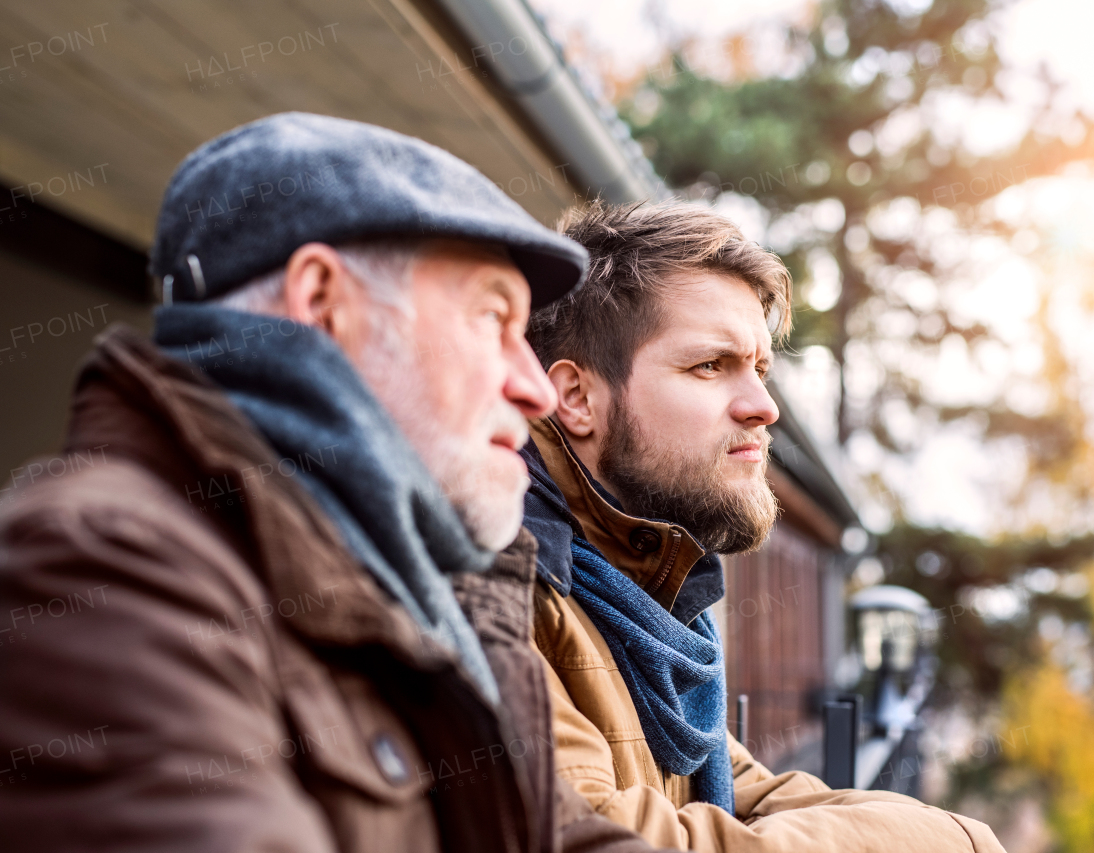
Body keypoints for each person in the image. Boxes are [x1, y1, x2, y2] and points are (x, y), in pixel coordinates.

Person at [0, 113, 667, 853]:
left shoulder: (428, 590)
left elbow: (561, 836)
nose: (535, 388)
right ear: (320, 303)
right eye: (492, 319)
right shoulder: (103, 566)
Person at [518, 200, 1007, 852]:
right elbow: (605, 839)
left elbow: (754, 795)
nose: (763, 406)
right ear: (577, 398)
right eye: (710, 365)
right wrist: (962, 844)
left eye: (760, 368)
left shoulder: (657, 608)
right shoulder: (513, 583)